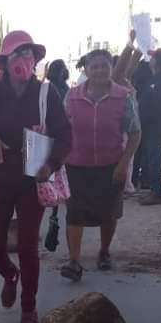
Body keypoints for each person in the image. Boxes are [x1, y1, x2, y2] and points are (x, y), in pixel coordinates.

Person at [0, 30, 72, 323]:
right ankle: (10, 276)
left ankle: (29, 306)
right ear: (5, 63)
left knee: (27, 247)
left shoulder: (47, 94)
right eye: (16, 55)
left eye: (28, 54)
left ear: (35, 60)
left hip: (32, 181)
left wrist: (51, 164)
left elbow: (65, 135)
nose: (23, 60)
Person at [60, 49, 141, 282]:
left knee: (109, 213)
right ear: (86, 70)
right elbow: (62, 129)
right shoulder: (72, 96)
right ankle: (74, 261)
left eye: (104, 66)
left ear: (110, 69)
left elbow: (135, 133)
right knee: (74, 213)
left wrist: (123, 165)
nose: (99, 70)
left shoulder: (123, 97)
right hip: (76, 165)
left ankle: (104, 252)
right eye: (93, 66)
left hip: (110, 165)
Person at [132, 47, 161, 201]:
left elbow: (158, 107)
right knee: (149, 160)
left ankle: (156, 192)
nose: (150, 61)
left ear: (158, 61)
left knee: (155, 159)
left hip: (155, 128)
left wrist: (145, 118)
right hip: (147, 128)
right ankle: (150, 188)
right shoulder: (154, 79)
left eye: (153, 58)